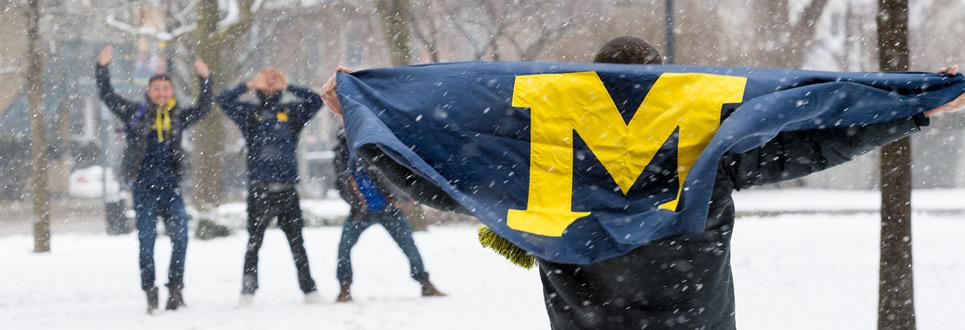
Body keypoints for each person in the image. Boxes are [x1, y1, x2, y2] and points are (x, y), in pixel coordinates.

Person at [320, 37, 964, 329]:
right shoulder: (706, 150)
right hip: (697, 320)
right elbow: (815, 138)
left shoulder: (543, 166)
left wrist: (359, 119)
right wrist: (912, 108)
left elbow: (440, 183)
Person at [95, 45, 213, 313]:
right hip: (144, 189)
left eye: (166, 89)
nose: (161, 93)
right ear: (149, 92)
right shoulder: (135, 113)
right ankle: (150, 292)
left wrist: (205, 79)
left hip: (172, 189)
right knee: (146, 244)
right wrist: (102, 68)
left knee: (181, 239)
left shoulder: (179, 117)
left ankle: (175, 289)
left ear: (171, 92)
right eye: (156, 89)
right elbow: (107, 95)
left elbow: (205, 107)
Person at [217, 67, 323, 305]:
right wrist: (248, 85)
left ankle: (309, 290)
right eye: (267, 79)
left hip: (287, 189)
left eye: (275, 79)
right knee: (254, 243)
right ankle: (247, 291)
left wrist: (290, 85)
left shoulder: (291, 113)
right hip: (259, 189)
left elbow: (316, 101)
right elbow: (222, 101)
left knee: (298, 243)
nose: (271, 83)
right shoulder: (250, 114)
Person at [331, 130, 447, 302]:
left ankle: (425, 283)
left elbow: (394, 173)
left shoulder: (373, 142)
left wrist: (399, 197)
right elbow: (341, 184)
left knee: (409, 246)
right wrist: (357, 204)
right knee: (344, 248)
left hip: (389, 210)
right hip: (360, 213)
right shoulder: (341, 152)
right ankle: (344, 288)